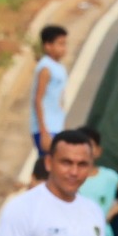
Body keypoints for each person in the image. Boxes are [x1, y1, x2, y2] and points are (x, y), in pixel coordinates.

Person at [31, 24, 71, 155]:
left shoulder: (59, 67)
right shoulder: (46, 68)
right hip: (47, 128)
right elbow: (38, 99)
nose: (64, 48)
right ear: (47, 46)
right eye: (60, 44)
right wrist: (44, 131)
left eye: (65, 44)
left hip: (57, 126)